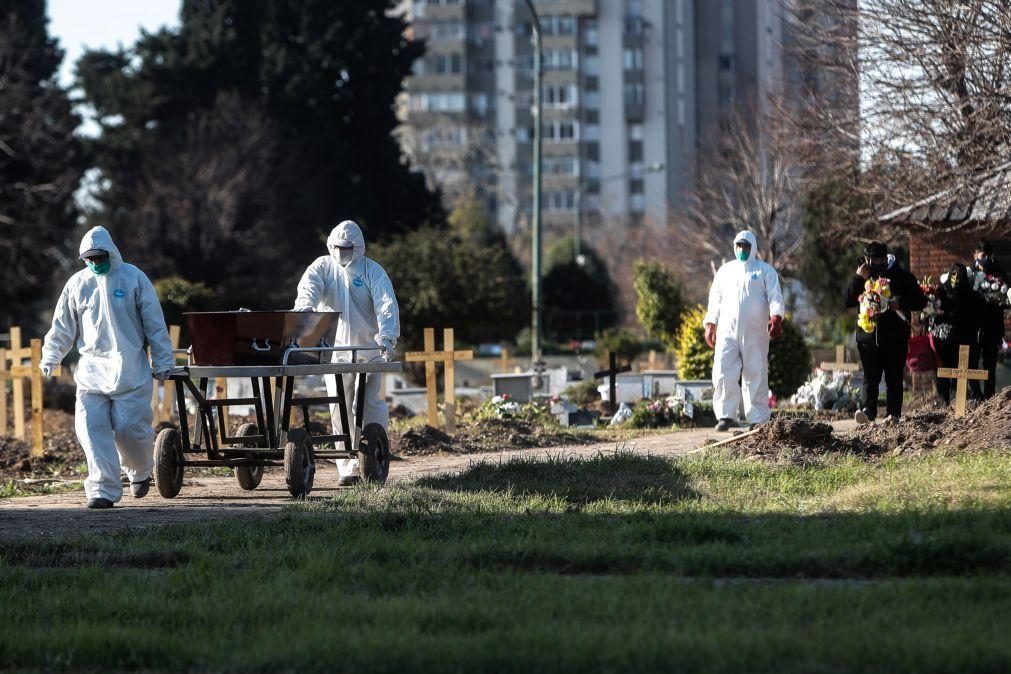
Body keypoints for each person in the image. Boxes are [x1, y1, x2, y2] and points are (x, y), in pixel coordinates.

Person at [40, 226, 175, 509]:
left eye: (99, 257)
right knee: (90, 429)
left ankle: (139, 471)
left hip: (130, 370)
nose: (94, 263)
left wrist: (162, 360)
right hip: (91, 372)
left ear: (110, 254)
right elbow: (63, 326)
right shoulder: (78, 284)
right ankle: (102, 490)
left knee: (130, 430)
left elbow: (154, 323)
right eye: (89, 258)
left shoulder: (134, 278)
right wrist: (51, 356)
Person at [293, 220, 400, 485]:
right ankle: (348, 470)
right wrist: (305, 310)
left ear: (358, 247)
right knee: (339, 409)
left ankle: (373, 458)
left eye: (347, 248)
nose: (342, 252)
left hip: (368, 352)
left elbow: (387, 306)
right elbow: (308, 289)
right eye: (338, 247)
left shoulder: (372, 271)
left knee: (368, 406)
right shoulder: (322, 267)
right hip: (335, 354)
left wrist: (386, 337)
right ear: (331, 245)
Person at [703, 230, 785, 431]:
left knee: (755, 372)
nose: (742, 250)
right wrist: (710, 323)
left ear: (754, 247)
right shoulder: (725, 271)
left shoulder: (765, 271)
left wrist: (776, 317)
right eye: (739, 246)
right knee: (723, 371)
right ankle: (725, 415)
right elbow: (715, 299)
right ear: (734, 247)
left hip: (755, 333)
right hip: (726, 331)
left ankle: (757, 418)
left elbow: (775, 297)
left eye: (746, 246)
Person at [844, 241, 927, 424]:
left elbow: (921, 301)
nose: (872, 264)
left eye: (876, 260)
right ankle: (868, 412)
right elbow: (847, 301)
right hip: (867, 337)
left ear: (884, 258)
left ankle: (893, 415)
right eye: (869, 259)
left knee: (894, 378)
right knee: (870, 378)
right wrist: (858, 278)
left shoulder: (901, 276)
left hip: (895, 337)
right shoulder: (863, 275)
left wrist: (901, 303)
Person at [931, 263, 985, 406]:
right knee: (945, 373)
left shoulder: (969, 296)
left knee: (957, 374)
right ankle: (948, 403)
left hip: (961, 341)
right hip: (950, 342)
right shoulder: (942, 294)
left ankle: (954, 404)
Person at [969, 240, 1007, 399]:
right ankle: (976, 396)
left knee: (989, 364)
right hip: (973, 325)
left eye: (988, 256)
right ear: (975, 255)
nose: (985, 259)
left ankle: (989, 397)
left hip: (992, 325)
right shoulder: (969, 274)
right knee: (971, 363)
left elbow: (1005, 298)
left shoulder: (998, 275)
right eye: (982, 255)